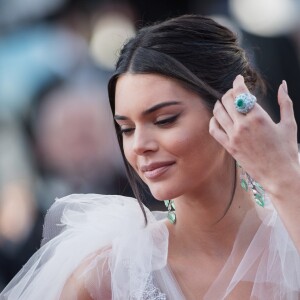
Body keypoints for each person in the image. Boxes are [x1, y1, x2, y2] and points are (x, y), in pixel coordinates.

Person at [1, 14, 300, 299]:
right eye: (127, 129)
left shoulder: (290, 239)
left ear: (230, 110)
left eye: (165, 120)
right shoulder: (110, 274)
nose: (139, 145)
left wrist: (282, 176)